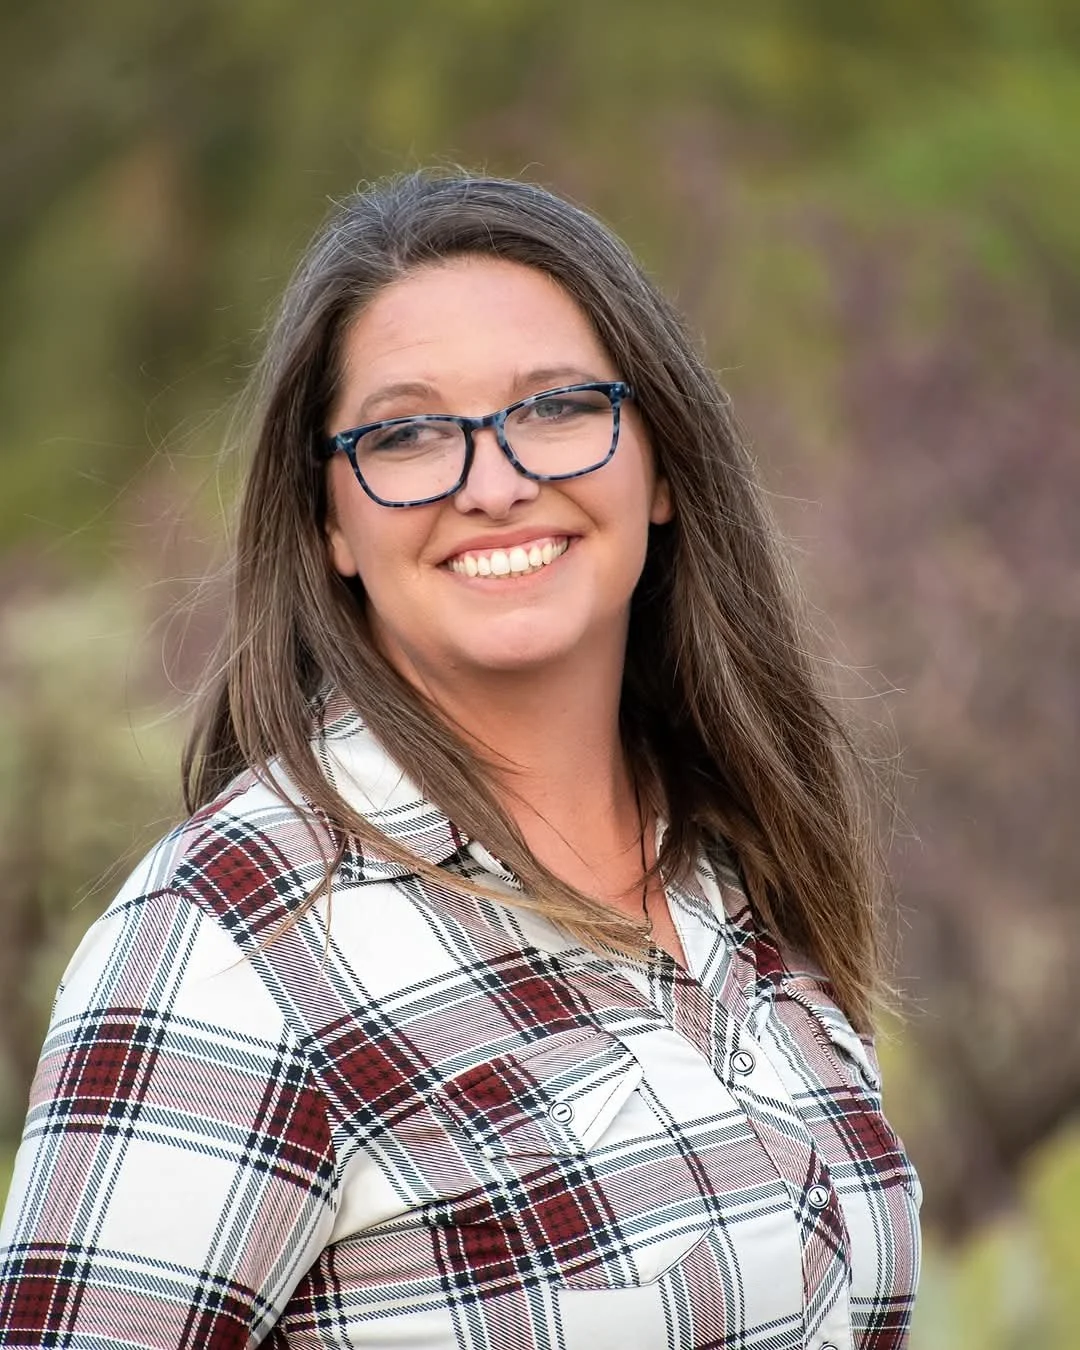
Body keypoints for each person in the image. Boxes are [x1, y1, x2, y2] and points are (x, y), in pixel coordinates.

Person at [0, 171, 920, 1349]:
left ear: (664, 466)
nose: (494, 484)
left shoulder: (746, 871)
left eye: (556, 408)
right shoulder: (232, 943)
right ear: (330, 517)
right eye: (407, 433)